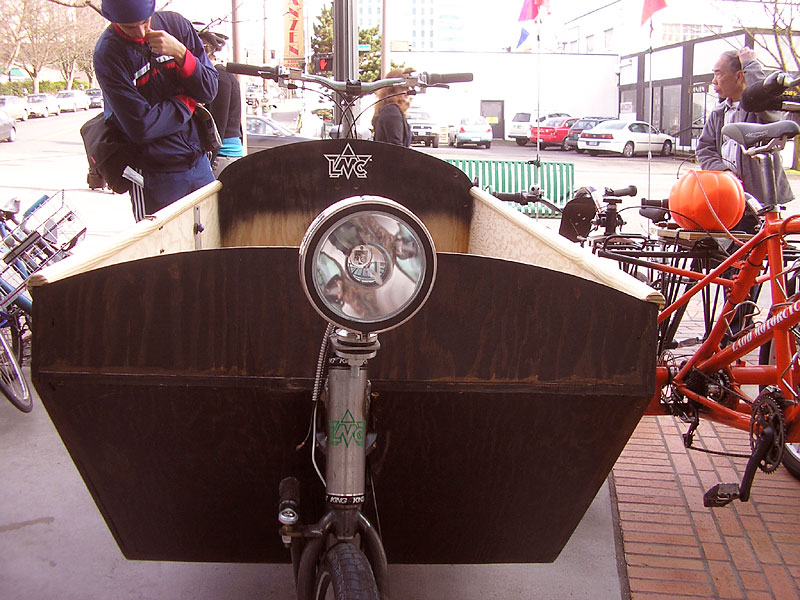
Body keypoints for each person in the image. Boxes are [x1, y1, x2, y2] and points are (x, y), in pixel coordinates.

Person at [93, 0, 219, 221]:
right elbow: (142, 126)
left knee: (211, 238)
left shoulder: (175, 25)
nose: (141, 32)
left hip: (198, 160)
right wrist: (188, 102)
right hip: (154, 174)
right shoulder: (108, 53)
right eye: (129, 26)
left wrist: (181, 53)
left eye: (145, 21)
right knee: (164, 251)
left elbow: (209, 89)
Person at [696, 47, 794, 232]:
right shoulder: (718, 113)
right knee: (713, 256)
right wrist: (723, 173)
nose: (714, 81)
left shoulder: (762, 110)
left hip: (759, 202)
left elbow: (764, 100)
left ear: (740, 76)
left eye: (718, 74)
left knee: (756, 254)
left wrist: (751, 65)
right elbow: (704, 148)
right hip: (726, 200)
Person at [196, 28, 243, 176]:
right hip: (227, 156)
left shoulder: (219, 78)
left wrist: (208, 162)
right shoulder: (224, 76)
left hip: (222, 157)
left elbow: (217, 126)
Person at [372, 68, 412, 146]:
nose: (408, 90)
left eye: (410, 86)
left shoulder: (387, 108)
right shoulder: (392, 111)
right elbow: (397, 148)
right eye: (404, 86)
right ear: (392, 88)